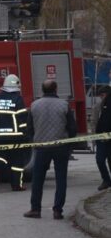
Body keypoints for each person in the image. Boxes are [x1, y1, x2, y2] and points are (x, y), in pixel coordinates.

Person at [24, 80, 77, 220]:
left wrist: (34, 140)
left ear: (42, 90)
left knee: (38, 179)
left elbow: (29, 128)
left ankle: (35, 209)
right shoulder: (64, 105)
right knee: (61, 179)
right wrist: (69, 143)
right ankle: (57, 210)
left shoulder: (34, 105)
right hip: (60, 146)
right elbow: (72, 128)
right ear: (56, 89)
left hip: (41, 147)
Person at [0, 74, 30, 191]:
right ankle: (16, 185)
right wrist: (25, 133)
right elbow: (22, 119)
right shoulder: (18, 99)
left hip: (0, 135)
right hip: (16, 136)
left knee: (0, 155)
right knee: (17, 161)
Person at [95, 87, 111, 190]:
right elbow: (95, 121)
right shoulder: (99, 106)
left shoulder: (108, 103)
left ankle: (107, 181)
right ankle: (106, 180)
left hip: (108, 137)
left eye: (102, 95)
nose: (101, 98)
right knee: (100, 159)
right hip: (100, 137)